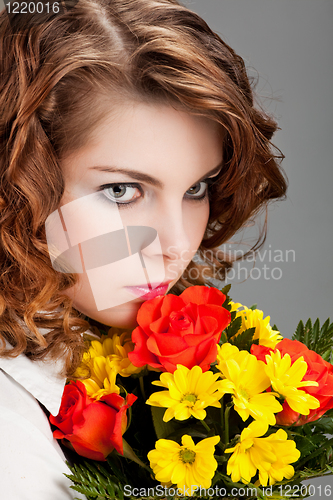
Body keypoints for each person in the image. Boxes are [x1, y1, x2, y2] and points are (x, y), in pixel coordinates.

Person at [0, 0, 287, 498]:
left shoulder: (103, 355)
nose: (175, 246)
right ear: (16, 177)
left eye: (197, 188)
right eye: (121, 191)